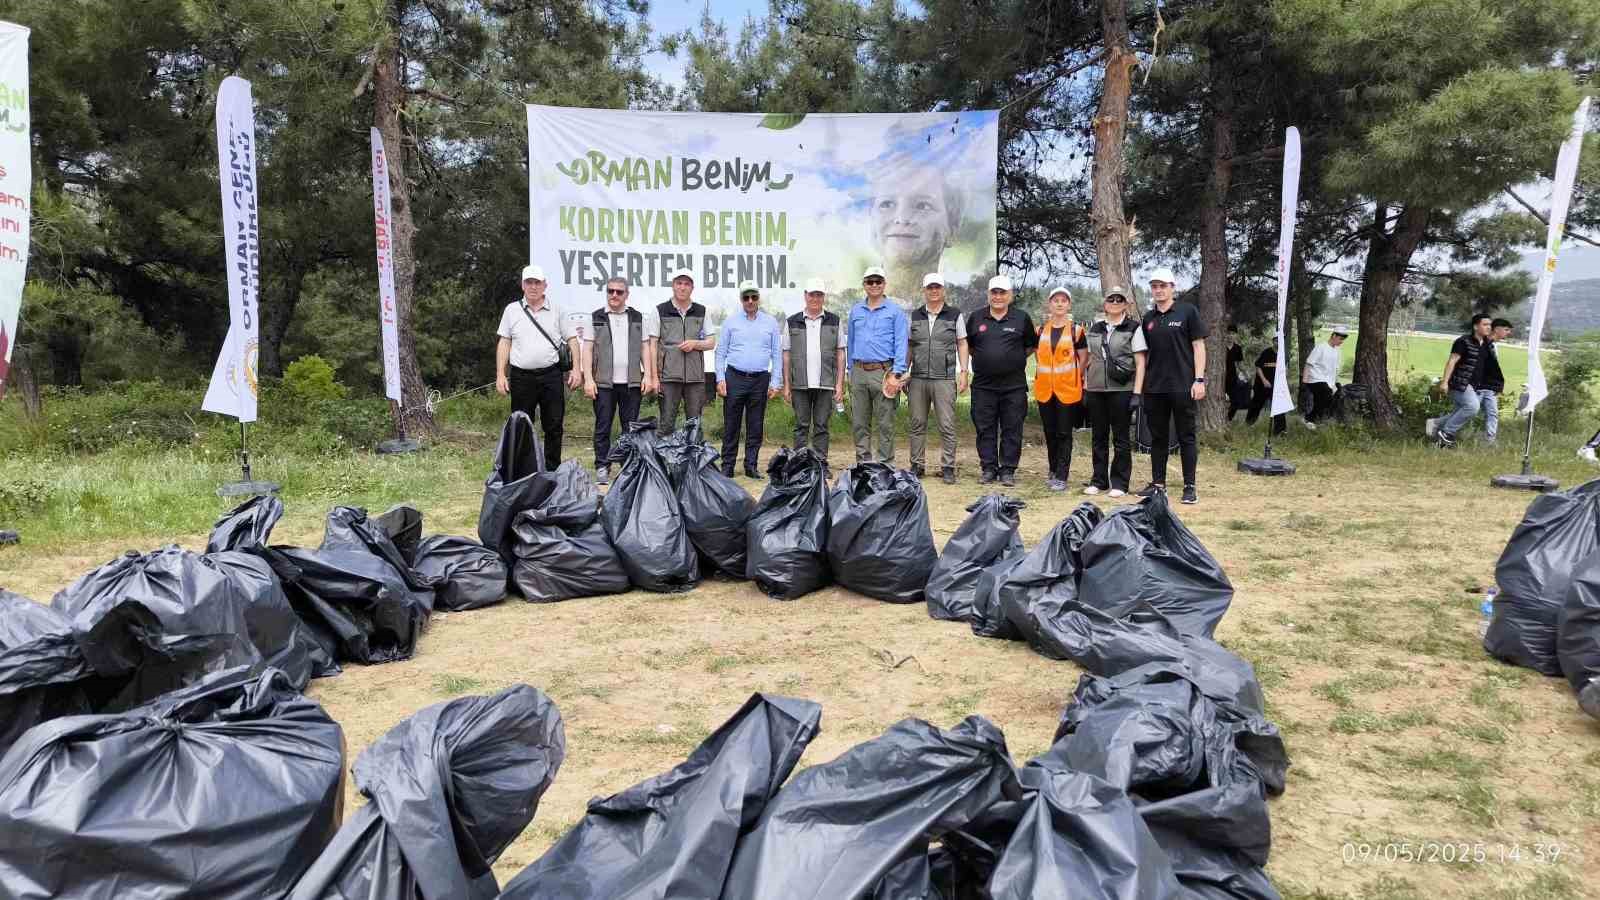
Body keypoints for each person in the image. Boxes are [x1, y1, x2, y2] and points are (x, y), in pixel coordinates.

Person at [496, 264, 582, 469]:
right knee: (521, 425)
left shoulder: (558, 310)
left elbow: (572, 340)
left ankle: (552, 470)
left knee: (553, 425)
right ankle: (523, 470)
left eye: (537, 283)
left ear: (545, 285)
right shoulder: (512, 310)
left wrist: (576, 369)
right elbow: (504, 342)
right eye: (529, 282)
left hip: (551, 375)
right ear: (522, 285)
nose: (533, 287)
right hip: (521, 377)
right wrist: (501, 374)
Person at [1137, 267, 1207, 504]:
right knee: (1158, 438)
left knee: (1186, 436)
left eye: (1162, 286)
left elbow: (1199, 347)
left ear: (1172, 287)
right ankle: (1158, 485)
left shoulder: (1188, 312)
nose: (1158, 290)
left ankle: (1190, 487)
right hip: (1155, 388)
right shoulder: (1148, 319)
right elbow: (1143, 356)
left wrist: (1199, 379)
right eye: (1154, 286)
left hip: (1183, 386)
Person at [583, 277, 658, 485]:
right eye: (610, 291)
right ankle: (602, 466)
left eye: (619, 292)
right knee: (603, 425)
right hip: (603, 383)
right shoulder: (595, 317)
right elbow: (587, 349)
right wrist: (588, 379)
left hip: (632, 382)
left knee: (630, 427)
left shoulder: (637, 317)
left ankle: (627, 466)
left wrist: (649, 376)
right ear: (607, 293)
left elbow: (645, 347)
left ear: (627, 294)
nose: (614, 295)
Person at [967, 274, 1037, 486]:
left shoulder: (1022, 318)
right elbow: (969, 347)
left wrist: (1010, 360)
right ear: (988, 295)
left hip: (1013, 386)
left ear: (1010, 295)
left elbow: (1030, 346)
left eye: (1002, 292)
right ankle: (988, 468)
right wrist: (988, 359)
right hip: (983, 386)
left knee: (1012, 428)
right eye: (994, 292)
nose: (998, 296)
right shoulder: (976, 318)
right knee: (984, 428)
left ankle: (1007, 470)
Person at [869, 159, 963, 308]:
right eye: (887, 204)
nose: (902, 218)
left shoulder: (961, 307)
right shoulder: (850, 307)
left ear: (953, 227)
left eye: (923, 205)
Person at [1082, 286, 1146, 497]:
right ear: (1105, 303)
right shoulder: (1095, 328)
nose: (1115, 303)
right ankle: (1099, 480)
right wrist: (1085, 384)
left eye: (1120, 300)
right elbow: (1089, 358)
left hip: (1122, 389)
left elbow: (1140, 362)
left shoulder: (1133, 327)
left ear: (1126, 304)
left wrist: (1137, 393)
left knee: (1120, 438)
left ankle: (1119, 483)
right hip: (1097, 388)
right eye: (1112, 299)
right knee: (1098, 437)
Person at [715, 280, 783, 477]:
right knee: (731, 425)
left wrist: (776, 381)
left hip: (760, 379)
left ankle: (751, 466)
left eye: (754, 297)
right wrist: (720, 378)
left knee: (755, 425)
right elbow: (720, 353)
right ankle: (727, 466)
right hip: (734, 377)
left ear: (758, 298)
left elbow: (776, 354)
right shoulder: (731, 322)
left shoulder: (770, 322)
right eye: (746, 297)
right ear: (741, 300)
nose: (750, 301)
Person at [906, 272, 969, 483]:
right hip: (918, 378)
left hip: (944, 378)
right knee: (917, 423)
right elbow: (909, 346)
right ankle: (916, 466)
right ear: (924, 291)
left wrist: (963, 372)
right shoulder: (915, 315)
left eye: (937, 287)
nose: (934, 291)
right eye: (930, 288)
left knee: (947, 425)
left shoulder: (955, 314)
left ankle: (948, 467)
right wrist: (904, 372)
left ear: (943, 290)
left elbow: (962, 343)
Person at [846, 266, 910, 464]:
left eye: (878, 281)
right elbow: (851, 342)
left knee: (885, 423)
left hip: (884, 373)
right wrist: (850, 370)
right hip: (859, 372)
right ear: (864, 285)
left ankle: (884, 464)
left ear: (884, 284)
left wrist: (897, 374)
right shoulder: (855, 310)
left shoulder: (895, 312)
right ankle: (863, 464)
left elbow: (901, 343)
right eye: (870, 282)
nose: (874, 285)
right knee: (859, 422)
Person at [783, 278, 848, 464]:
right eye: (812, 294)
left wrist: (839, 385)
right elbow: (786, 355)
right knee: (801, 426)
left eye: (819, 294)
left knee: (821, 426)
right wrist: (787, 385)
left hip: (826, 383)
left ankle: (820, 464)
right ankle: (800, 465)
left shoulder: (835, 321)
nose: (815, 298)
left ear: (823, 297)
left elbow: (840, 354)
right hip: (799, 384)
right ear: (805, 295)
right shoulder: (792, 322)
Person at [1033, 286, 1088, 491]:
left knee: (1064, 433)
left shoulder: (1077, 331)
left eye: (1063, 300)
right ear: (1050, 304)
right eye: (1055, 300)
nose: (1059, 303)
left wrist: (1076, 376)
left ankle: (1062, 476)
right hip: (1045, 389)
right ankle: (1053, 469)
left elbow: (1083, 358)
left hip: (1067, 390)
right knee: (1050, 432)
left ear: (1069, 305)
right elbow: (1039, 356)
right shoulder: (1040, 331)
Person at [1427, 313, 1502, 447]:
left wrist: (1495, 386)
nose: (1488, 327)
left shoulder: (1486, 344)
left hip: (1475, 386)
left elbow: (1490, 367)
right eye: (1485, 324)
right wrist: (1444, 382)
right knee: (1472, 407)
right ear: (1475, 326)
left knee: (1460, 412)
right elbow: (1452, 361)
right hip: (1459, 382)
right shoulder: (1463, 341)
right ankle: (1446, 433)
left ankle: (1436, 427)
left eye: (1490, 325)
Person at [656, 267, 716, 434]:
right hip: (668, 377)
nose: (682, 287)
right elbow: (653, 344)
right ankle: (665, 459)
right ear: (673, 286)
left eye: (687, 284)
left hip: (695, 378)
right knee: (667, 424)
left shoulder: (702, 311)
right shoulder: (660, 310)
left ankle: (693, 460)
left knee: (694, 425)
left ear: (692, 288)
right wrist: (654, 376)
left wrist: (695, 344)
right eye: (679, 283)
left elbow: (711, 342)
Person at [1300, 326, 1347, 426]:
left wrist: (1337, 383)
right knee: (1325, 393)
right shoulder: (1321, 347)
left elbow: (1335, 370)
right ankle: (1309, 419)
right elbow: (1308, 364)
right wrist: (1304, 382)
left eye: (1343, 340)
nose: (1341, 342)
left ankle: (1314, 420)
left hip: (1328, 382)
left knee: (1326, 401)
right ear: (1334, 336)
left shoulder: (1337, 351)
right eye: (1340, 339)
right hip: (1314, 379)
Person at [1245, 346, 1287, 436]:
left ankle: (1280, 431)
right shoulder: (1267, 352)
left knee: (1279, 407)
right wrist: (1264, 380)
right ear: (1273, 341)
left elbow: (1283, 369)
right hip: (1262, 385)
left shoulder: (1282, 353)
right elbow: (1258, 367)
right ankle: (1248, 423)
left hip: (1276, 386)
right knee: (1256, 405)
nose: (1277, 342)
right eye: (1275, 340)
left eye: (1278, 340)